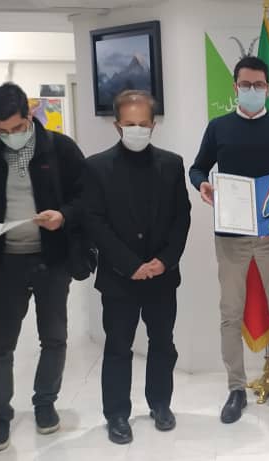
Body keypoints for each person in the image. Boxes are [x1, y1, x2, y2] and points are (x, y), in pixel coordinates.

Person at [0, 82, 85, 452]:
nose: (11, 135)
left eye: (16, 127)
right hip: (5, 261)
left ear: (29, 113)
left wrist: (63, 215)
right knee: (0, 342)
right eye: (2, 130)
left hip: (51, 258)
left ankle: (45, 403)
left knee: (54, 336)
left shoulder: (60, 149)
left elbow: (85, 196)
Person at [189, 56, 269, 424]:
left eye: (258, 85)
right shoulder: (219, 127)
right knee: (230, 315)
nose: (251, 90)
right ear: (235, 87)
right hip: (231, 237)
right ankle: (236, 388)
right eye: (245, 85)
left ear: (268, 89)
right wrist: (202, 184)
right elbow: (197, 167)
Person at [82, 90, 191, 444]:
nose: (137, 130)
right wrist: (130, 265)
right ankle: (116, 414)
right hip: (119, 278)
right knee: (118, 347)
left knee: (163, 343)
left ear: (154, 125)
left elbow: (182, 217)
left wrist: (165, 260)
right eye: (130, 124)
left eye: (144, 124)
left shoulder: (172, 164)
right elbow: (95, 222)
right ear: (117, 126)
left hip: (162, 275)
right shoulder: (97, 167)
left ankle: (160, 403)